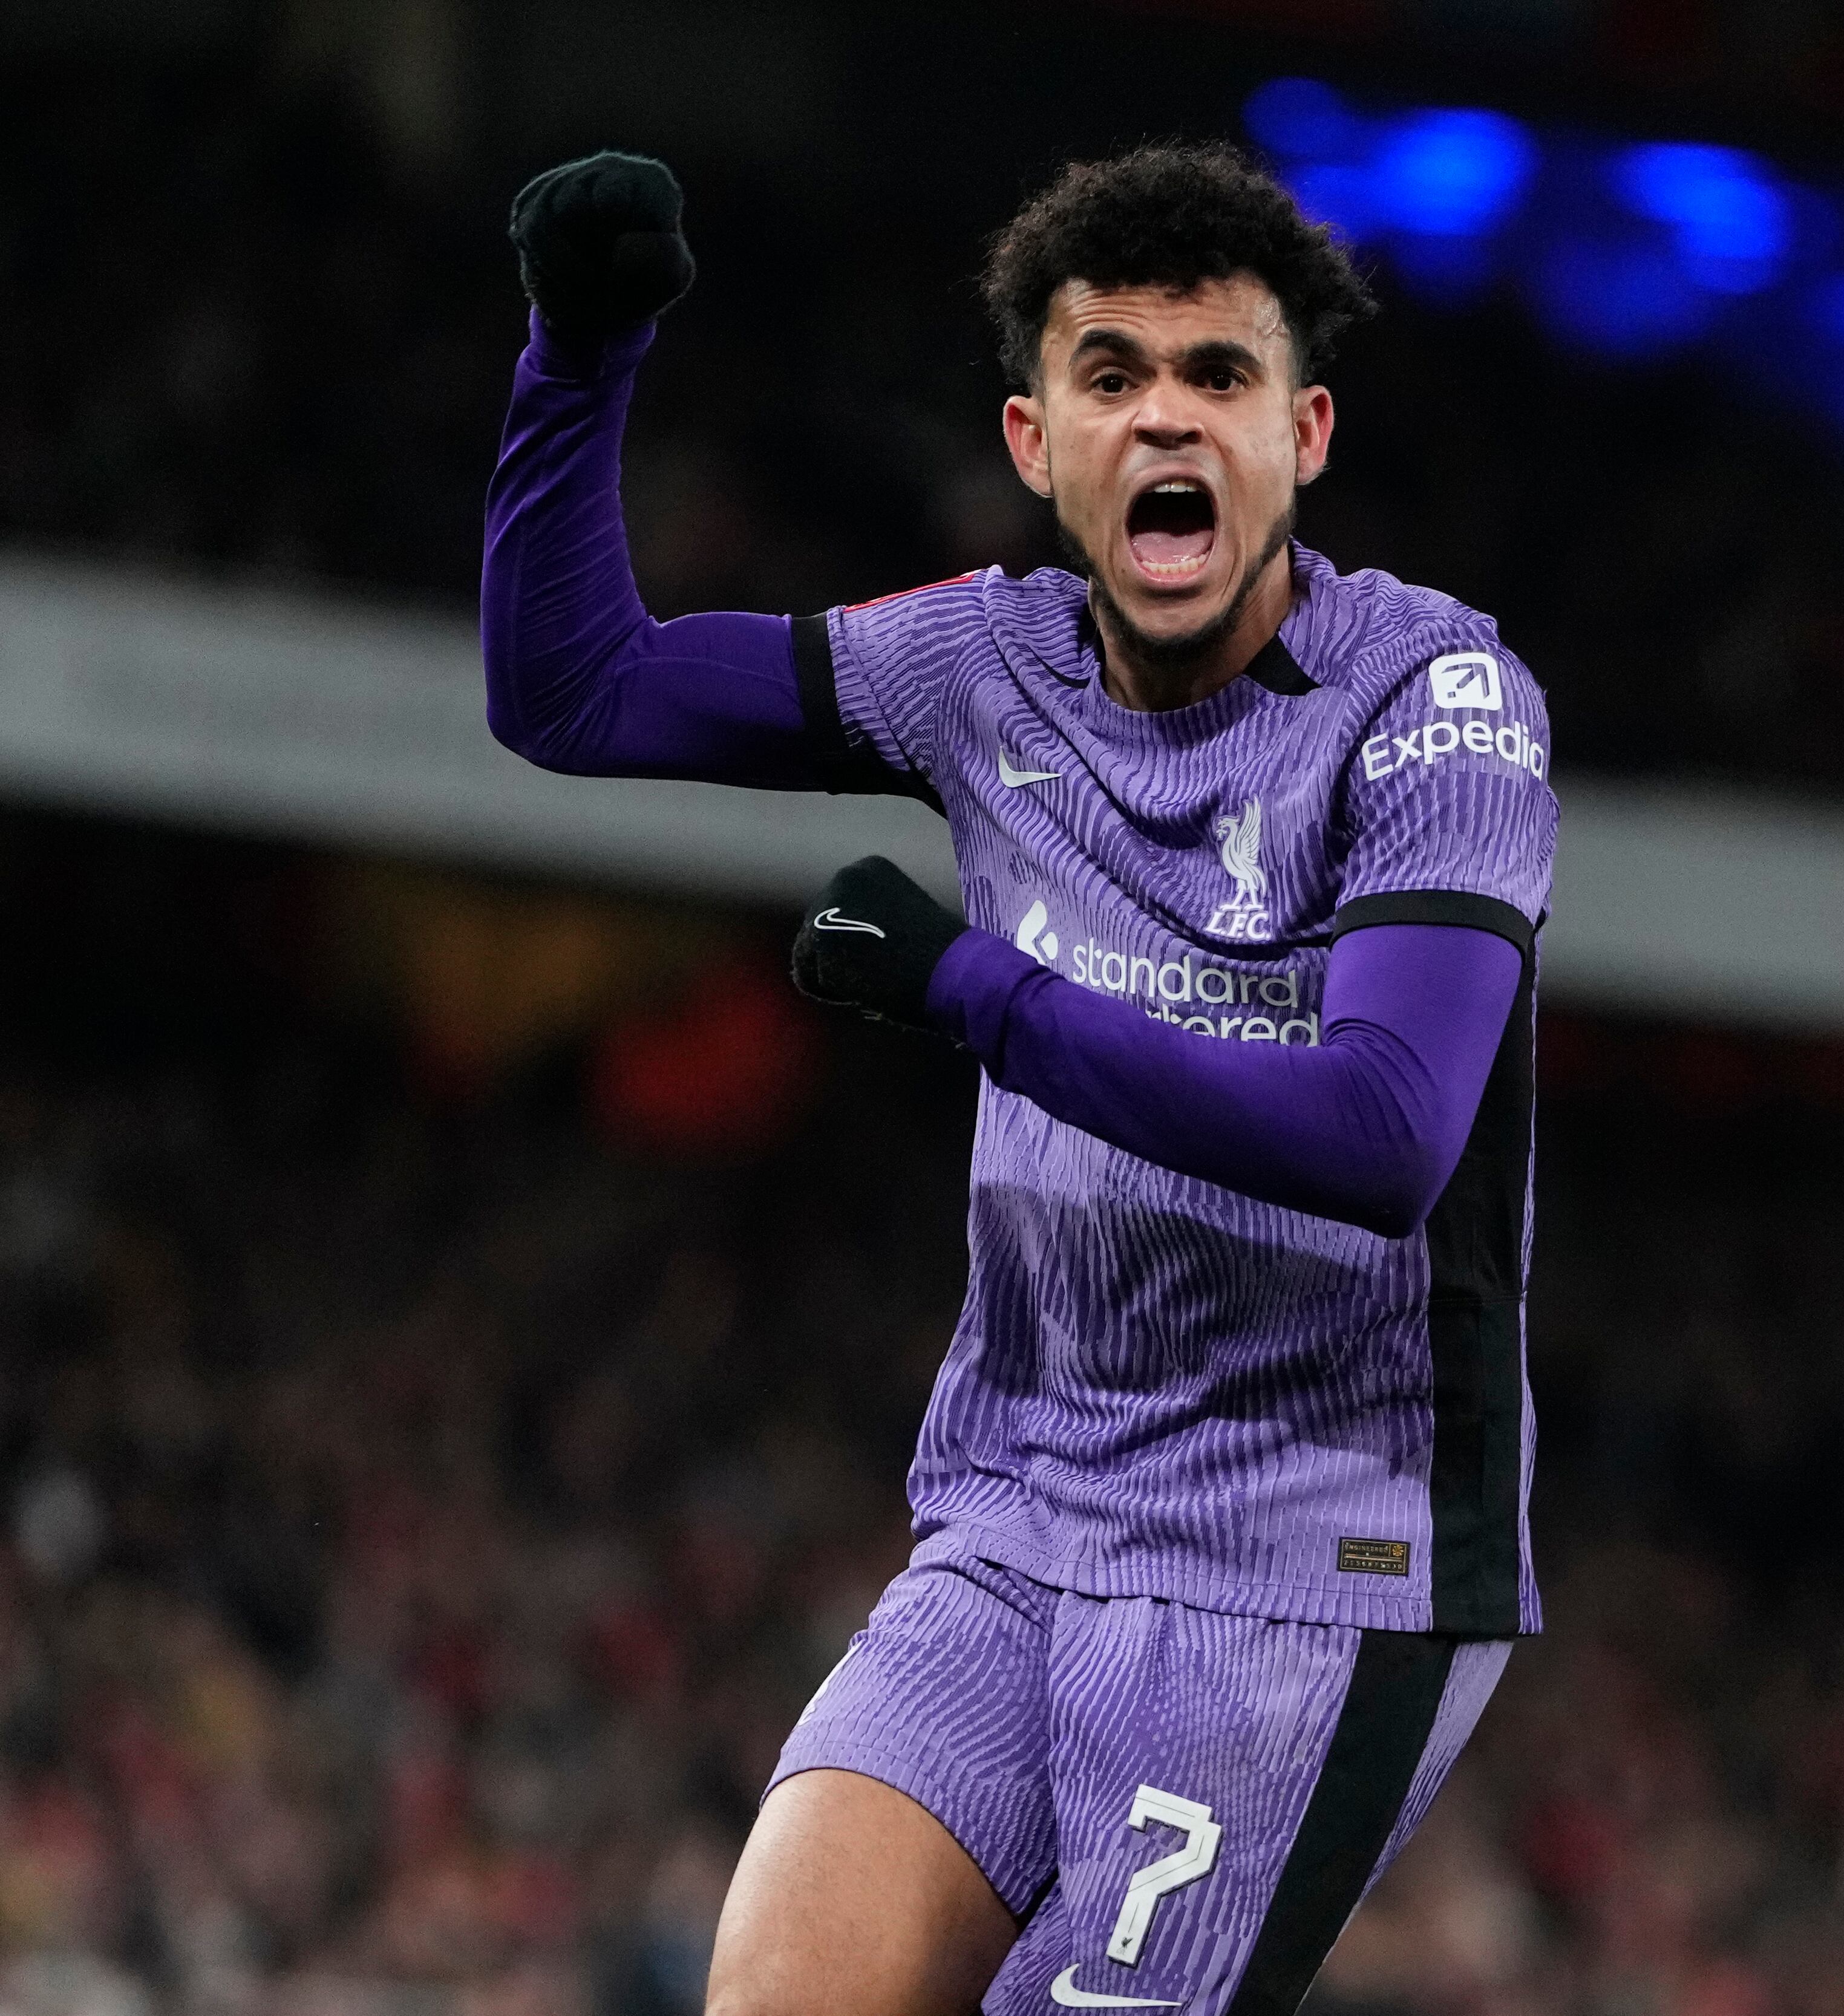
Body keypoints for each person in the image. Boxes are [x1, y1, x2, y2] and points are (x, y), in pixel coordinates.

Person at [480, 146, 1558, 2016]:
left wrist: (981, 988)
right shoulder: (986, 665)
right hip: (1023, 1507)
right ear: (1035, 439)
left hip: (1321, 1557)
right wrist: (579, 354)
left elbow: (1385, 1131)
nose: (1167, 413)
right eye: (1112, 372)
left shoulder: (1436, 696)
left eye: (1218, 375)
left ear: (1304, 433)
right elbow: (573, 691)